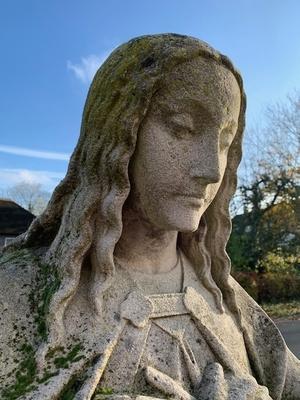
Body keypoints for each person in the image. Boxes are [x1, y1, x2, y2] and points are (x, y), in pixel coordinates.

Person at [0, 34, 299, 400]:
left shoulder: (225, 298)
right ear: (115, 136)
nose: (210, 170)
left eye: (223, 141)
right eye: (183, 128)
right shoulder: (16, 295)